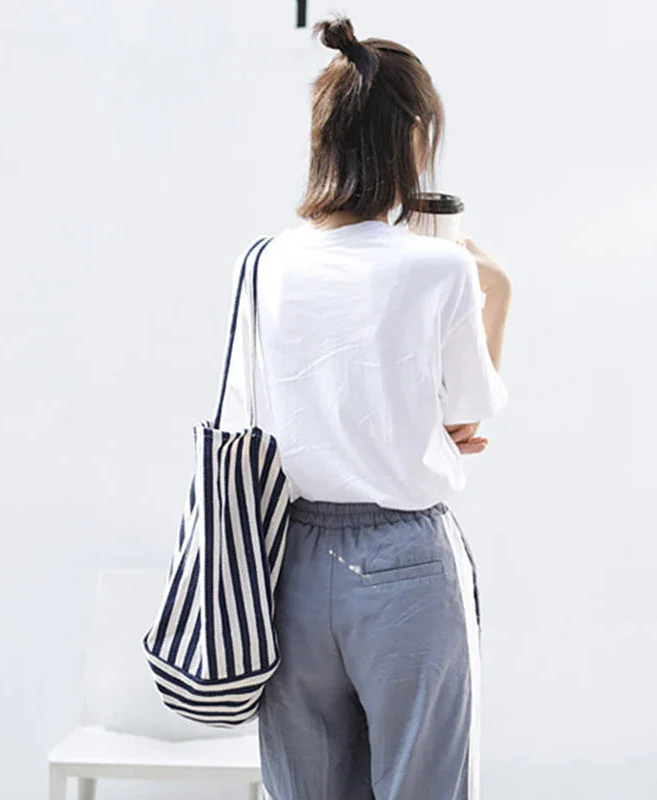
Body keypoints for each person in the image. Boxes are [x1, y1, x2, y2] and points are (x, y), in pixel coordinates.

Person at [219, 13, 512, 800]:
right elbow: (473, 408)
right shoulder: (441, 271)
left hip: (290, 563)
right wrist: (497, 289)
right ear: (414, 136)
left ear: (326, 136)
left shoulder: (265, 263)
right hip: (406, 564)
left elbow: (262, 405)